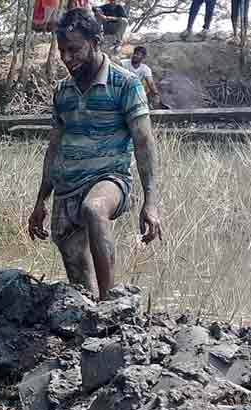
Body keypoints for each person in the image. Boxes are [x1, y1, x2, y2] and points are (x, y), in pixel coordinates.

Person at [27, 9, 162, 301]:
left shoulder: (125, 84)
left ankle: (110, 303)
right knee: (80, 287)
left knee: (94, 208)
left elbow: (144, 143)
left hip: (110, 180)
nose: (67, 58)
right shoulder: (62, 92)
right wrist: (41, 200)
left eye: (74, 50)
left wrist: (151, 202)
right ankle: (94, 314)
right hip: (67, 189)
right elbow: (54, 149)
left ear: (96, 42)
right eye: (62, 51)